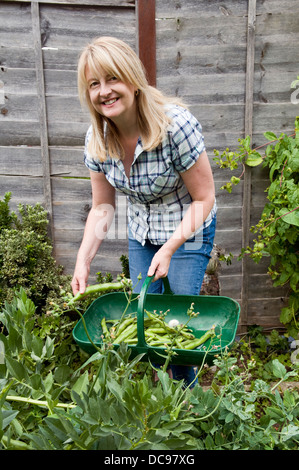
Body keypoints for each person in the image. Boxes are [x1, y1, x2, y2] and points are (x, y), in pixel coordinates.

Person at [71, 36, 217, 387]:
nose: (104, 91)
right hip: (141, 232)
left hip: (188, 229)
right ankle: (162, 395)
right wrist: (83, 261)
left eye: (112, 79)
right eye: (94, 84)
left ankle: (187, 406)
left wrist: (170, 249)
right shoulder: (97, 138)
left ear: (133, 81)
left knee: (178, 327)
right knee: (146, 321)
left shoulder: (174, 126)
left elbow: (205, 198)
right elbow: (103, 207)